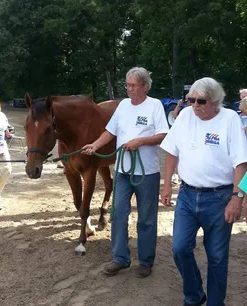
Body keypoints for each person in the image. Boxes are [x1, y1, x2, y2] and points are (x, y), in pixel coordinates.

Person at [160, 77, 247, 306]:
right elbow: (171, 152)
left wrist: (238, 198)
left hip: (220, 198)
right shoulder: (186, 115)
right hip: (187, 195)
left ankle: (215, 302)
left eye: (200, 101)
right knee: (179, 249)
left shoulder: (230, 120)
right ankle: (194, 295)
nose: (194, 105)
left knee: (217, 257)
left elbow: (243, 164)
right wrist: (167, 184)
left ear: (215, 101)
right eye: (191, 100)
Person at [82, 67, 169, 277]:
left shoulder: (155, 106)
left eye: (133, 85)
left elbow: (163, 134)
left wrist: (140, 141)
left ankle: (146, 260)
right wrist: (94, 145)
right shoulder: (122, 105)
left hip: (146, 172)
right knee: (118, 213)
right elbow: (110, 131)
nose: (129, 89)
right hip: (122, 171)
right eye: (127, 85)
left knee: (146, 218)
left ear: (145, 86)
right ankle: (120, 258)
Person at [171, 94, 191, 184]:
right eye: (186, 99)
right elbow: (174, 116)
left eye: (189, 99)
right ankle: (176, 175)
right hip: (184, 137)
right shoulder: (184, 110)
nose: (187, 101)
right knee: (178, 156)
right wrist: (178, 105)